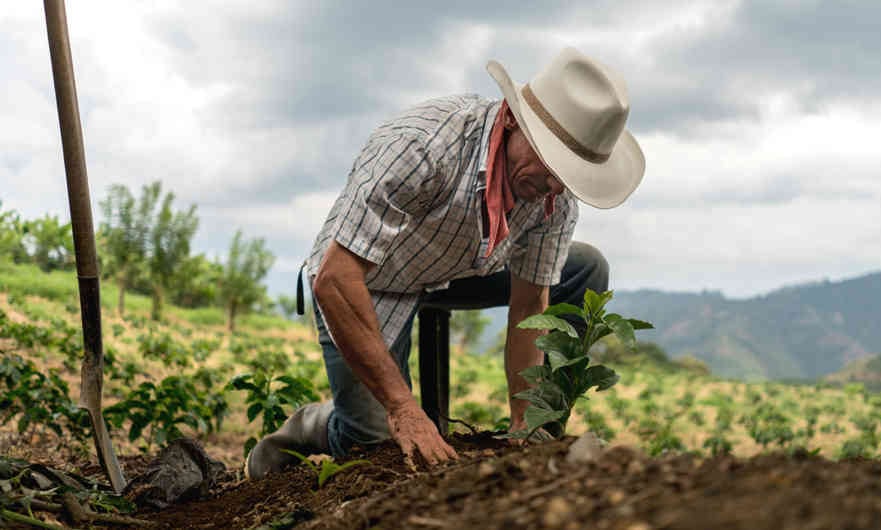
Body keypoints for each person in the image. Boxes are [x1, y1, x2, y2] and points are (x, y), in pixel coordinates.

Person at [246, 47, 645, 479]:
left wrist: (524, 424)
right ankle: (314, 424)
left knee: (585, 267)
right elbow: (336, 279)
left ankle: (541, 438)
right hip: (369, 278)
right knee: (375, 443)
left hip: (458, 268)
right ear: (512, 120)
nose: (554, 187)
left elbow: (531, 304)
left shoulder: (553, 195)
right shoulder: (422, 147)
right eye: (551, 165)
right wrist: (402, 407)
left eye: (567, 176)